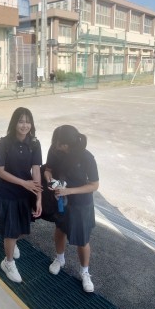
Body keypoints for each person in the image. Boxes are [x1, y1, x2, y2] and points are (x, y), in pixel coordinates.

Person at [43, 125, 99, 293]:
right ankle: (60, 259)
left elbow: (94, 185)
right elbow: (48, 169)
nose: (56, 146)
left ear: (68, 144)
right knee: (60, 229)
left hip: (81, 203)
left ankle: (85, 272)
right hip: (61, 200)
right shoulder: (54, 150)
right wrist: (50, 180)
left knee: (82, 239)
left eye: (59, 143)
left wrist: (69, 191)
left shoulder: (86, 157)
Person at [0, 107, 42, 283]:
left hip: (25, 192)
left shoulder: (35, 143)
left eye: (28, 122)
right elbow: (0, 171)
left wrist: (39, 197)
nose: (24, 125)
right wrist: (23, 183)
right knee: (11, 231)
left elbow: (36, 170)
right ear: (14, 123)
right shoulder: (4, 143)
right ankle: (8, 262)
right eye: (21, 121)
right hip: (7, 192)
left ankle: (11, 243)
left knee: (21, 229)